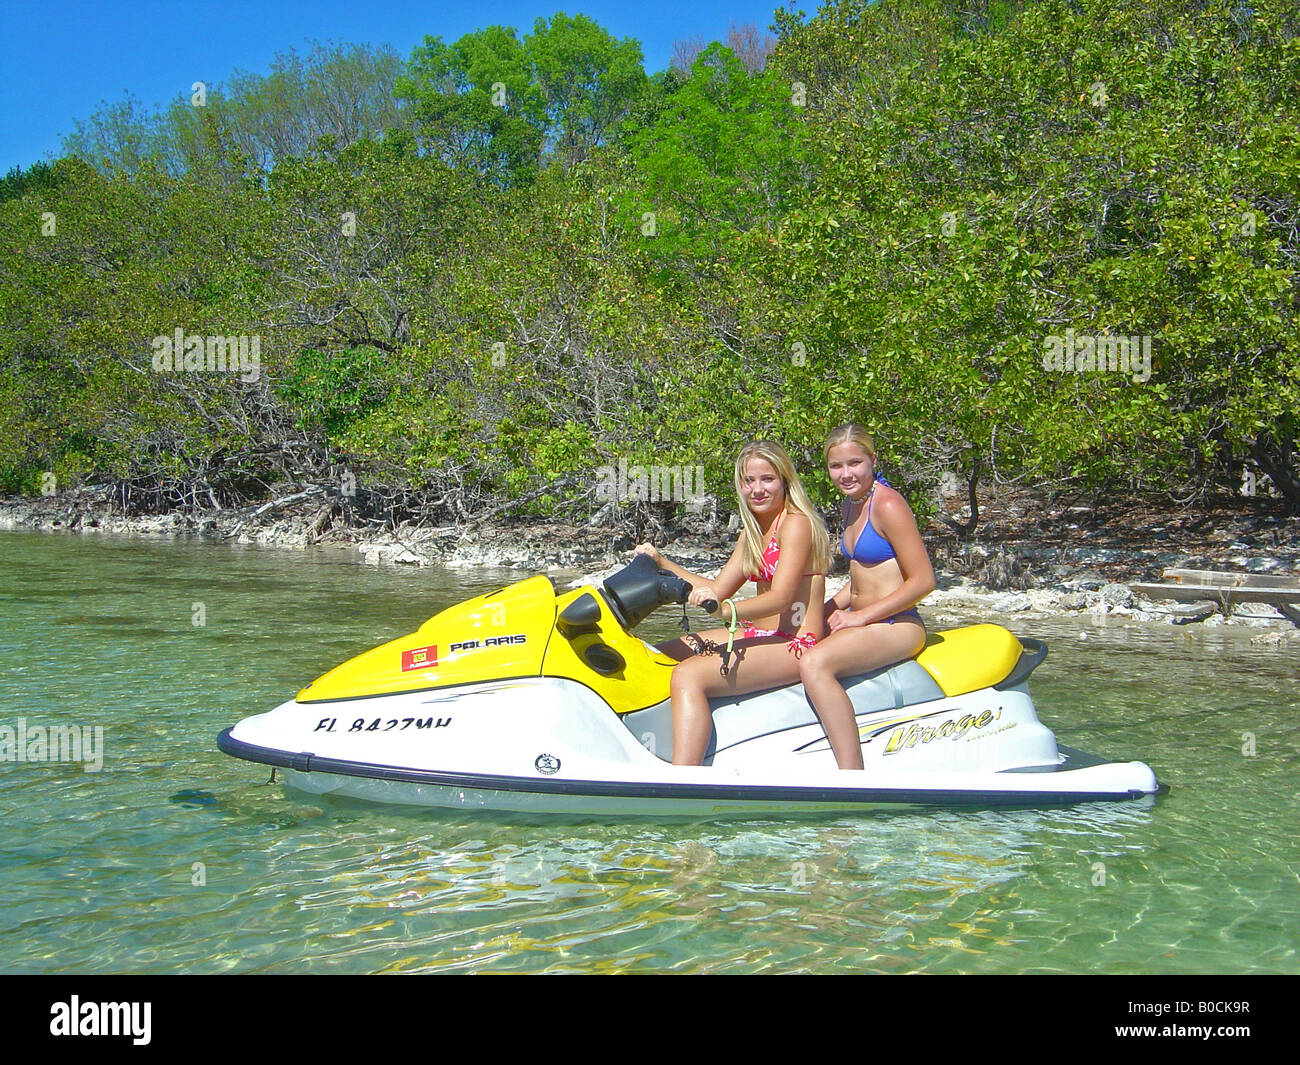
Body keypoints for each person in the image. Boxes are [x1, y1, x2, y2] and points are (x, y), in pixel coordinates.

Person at [635, 440, 831, 765]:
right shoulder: (752, 532)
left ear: (784, 480)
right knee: (660, 653)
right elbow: (717, 588)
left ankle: (685, 778)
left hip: (796, 643)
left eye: (767, 479)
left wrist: (728, 611)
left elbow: (781, 598)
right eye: (748, 481)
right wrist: (661, 563)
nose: (757, 489)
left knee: (689, 675)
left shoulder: (796, 524)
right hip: (758, 634)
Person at [797, 425, 936, 769]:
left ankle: (851, 772)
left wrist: (861, 616)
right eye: (836, 466)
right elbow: (862, 575)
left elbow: (923, 580)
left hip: (897, 624)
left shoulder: (888, 504)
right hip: (866, 621)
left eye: (855, 463)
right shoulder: (851, 505)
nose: (846, 474)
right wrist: (828, 608)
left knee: (814, 663)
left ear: (873, 460)